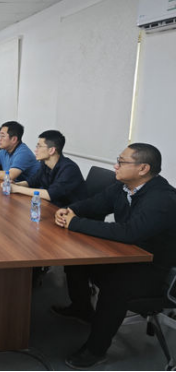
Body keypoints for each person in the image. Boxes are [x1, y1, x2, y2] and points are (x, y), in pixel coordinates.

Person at [53, 143, 176, 369]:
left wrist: (75, 223)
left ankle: (96, 350)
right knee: (76, 262)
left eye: (121, 162)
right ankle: (82, 308)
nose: (115, 166)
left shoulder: (161, 198)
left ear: (143, 169)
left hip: (153, 268)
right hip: (125, 254)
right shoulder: (123, 187)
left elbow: (129, 232)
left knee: (114, 288)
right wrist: (72, 210)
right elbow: (95, 204)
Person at [8, 130, 87, 207]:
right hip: (53, 206)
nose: (36, 150)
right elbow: (32, 182)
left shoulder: (69, 169)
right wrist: (14, 184)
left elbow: (50, 194)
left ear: (51, 150)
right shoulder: (45, 164)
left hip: (71, 211)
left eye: (39, 146)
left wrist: (17, 189)